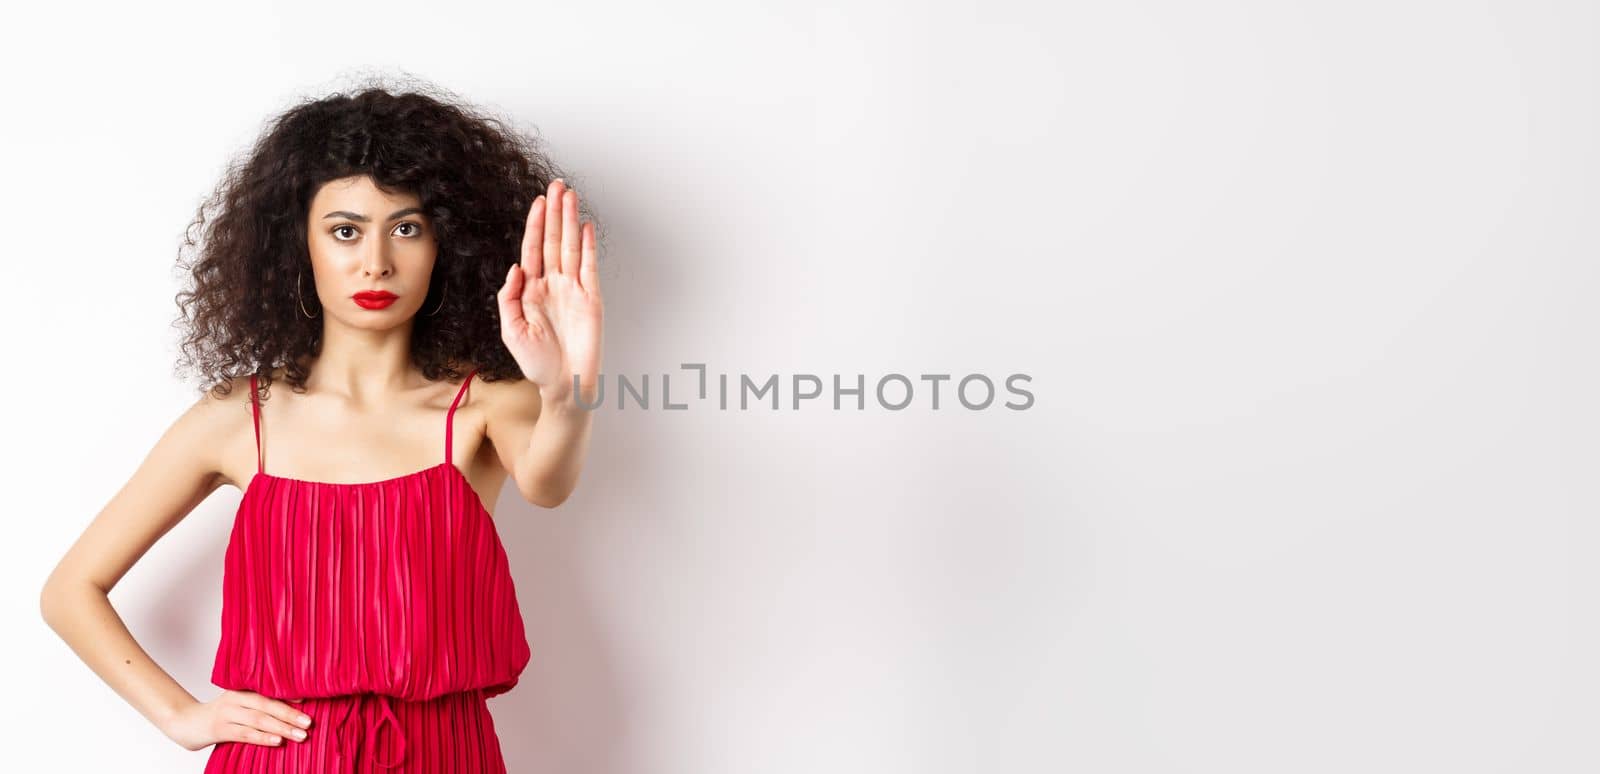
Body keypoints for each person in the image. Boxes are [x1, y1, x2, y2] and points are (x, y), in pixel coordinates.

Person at [38, 81, 604, 772]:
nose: (376, 261)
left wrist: (566, 391)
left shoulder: (485, 403)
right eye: (345, 230)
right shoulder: (235, 419)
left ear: (446, 243)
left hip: (444, 756)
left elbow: (549, 484)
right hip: (280, 760)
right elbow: (70, 590)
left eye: (407, 227)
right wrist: (182, 715)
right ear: (296, 245)